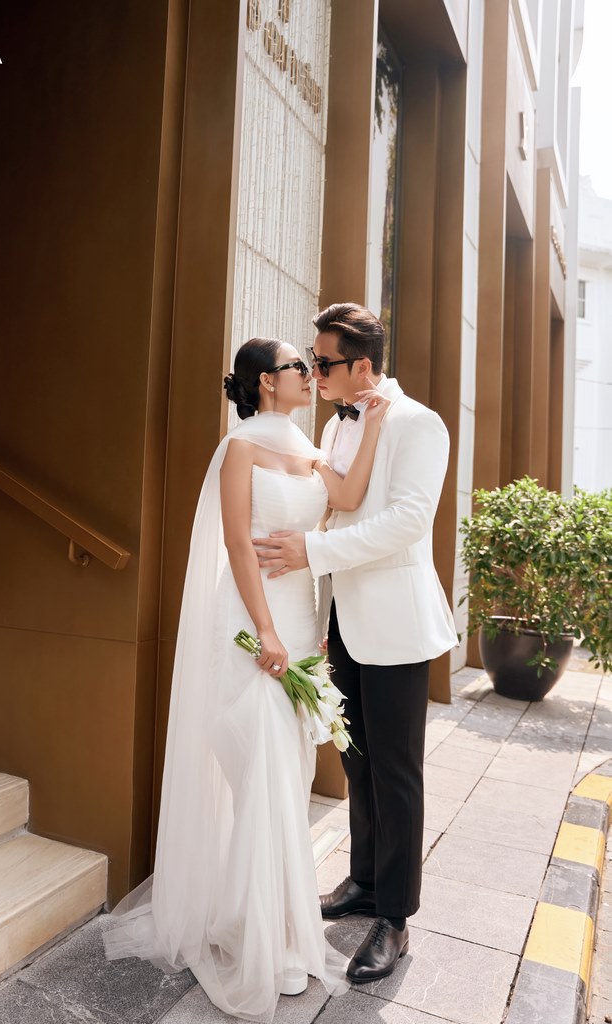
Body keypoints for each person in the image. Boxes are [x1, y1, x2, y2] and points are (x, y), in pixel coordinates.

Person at [102, 336, 390, 1023]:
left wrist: (374, 425)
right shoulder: (240, 448)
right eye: (298, 367)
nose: (309, 375)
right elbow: (237, 543)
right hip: (250, 624)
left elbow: (348, 495)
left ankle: (267, 926)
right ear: (266, 381)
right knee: (262, 770)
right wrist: (264, 631)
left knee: (286, 776)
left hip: (299, 624)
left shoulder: (309, 447)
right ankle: (265, 944)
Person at [253, 303, 458, 984]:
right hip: (342, 619)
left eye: (324, 362)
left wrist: (312, 553)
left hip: (396, 624)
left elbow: (406, 522)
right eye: (311, 361)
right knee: (358, 760)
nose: (314, 373)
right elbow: (337, 504)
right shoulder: (335, 424)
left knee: (396, 772)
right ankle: (364, 881)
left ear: (362, 364)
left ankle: (394, 917)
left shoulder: (419, 423)